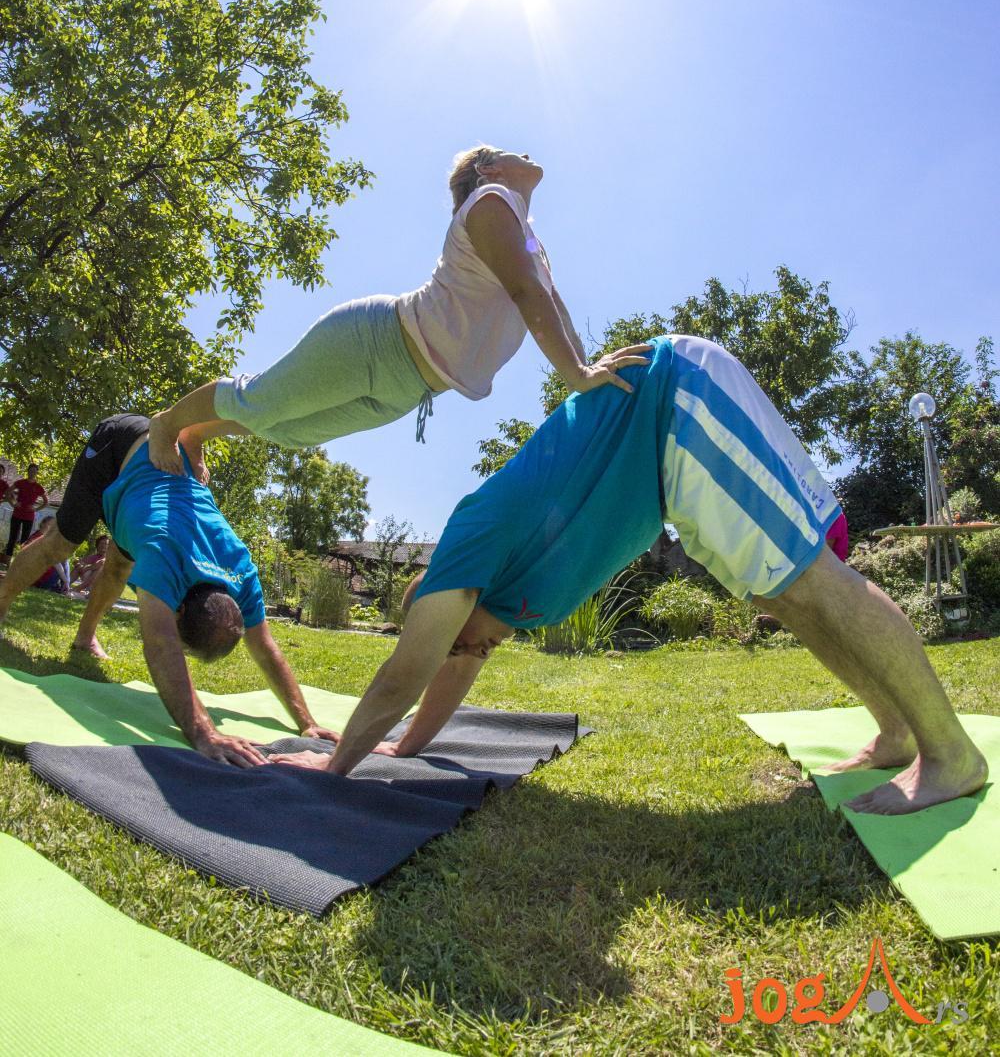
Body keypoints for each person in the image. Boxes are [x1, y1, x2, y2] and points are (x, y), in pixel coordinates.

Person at [273, 336, 988, 817]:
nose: (477, 654)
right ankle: (895, 731)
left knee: (812, 577)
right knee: (781, 591)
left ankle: (950, 754)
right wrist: (404, 748)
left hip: (678, 402)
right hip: (670, 466)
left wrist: (337, 767)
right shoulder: (494, 604)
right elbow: (451, 669)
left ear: (447, 605)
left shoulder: (467, 544)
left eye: (462, 642)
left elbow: (410, 671)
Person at [146, 147, 649, 482]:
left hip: (412, 387)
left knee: (289, 431)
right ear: (489, 169)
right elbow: (526, 295)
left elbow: (551, 305)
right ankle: (167, 423)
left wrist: (589, 368)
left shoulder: (531, 242)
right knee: (259, 401)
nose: (531, 155)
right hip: (376, 342)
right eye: (512, 151)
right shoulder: (491, 199)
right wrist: (578, 376)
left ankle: (198, 431)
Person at [0, 415, 342, 766]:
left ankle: (84, 638)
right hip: (119, 445)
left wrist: (308, 723)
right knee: (60, 544)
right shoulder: (164, 557)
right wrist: (203, 733)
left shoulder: (242, 572)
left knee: (119, 563)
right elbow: (161, 645)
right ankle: (2, 600)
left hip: (153, 487)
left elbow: (266, 649)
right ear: (178, 610)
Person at [5, 464, 49, 558]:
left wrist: (35, 509)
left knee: (24, 541)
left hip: (29, 517)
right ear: (28, 471)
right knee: (12, 538)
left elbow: (46, 502)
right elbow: (8, 492)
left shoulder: (38, 487)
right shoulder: (20, 482)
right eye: (31, 470)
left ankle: (19, 564)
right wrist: (13, 503)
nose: (32, 472)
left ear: (37, 473)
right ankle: (7, 563)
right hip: (17, 514)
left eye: (34, 471)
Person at [24, 517, 71, 593]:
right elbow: (56, 563)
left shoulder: (36, 535)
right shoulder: (42, 540)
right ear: (42, 524)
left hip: (33, 579)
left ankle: (62, 588)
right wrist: (66, 581)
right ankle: (66, 588)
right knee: (63, 558)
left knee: (62, 558)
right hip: (40, 581)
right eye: (50, 525)